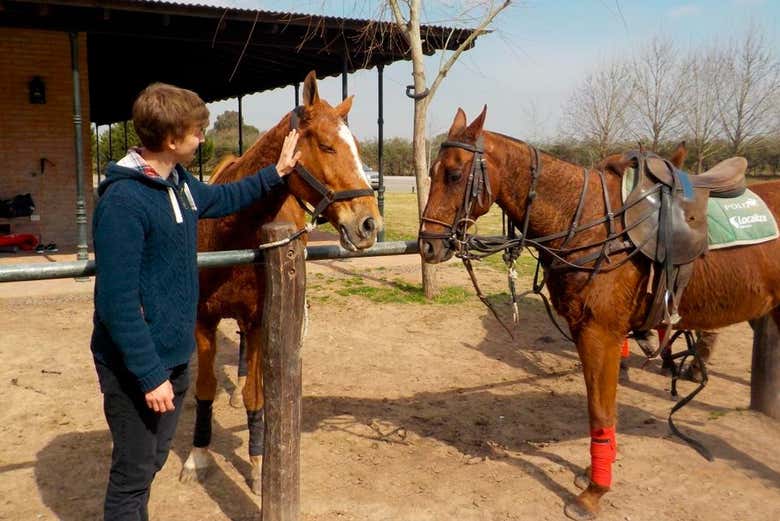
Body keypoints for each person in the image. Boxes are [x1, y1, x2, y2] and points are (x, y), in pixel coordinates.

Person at [90, 82, 300, 520]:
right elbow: (116, 304)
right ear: (172, 139)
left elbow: (224, 198)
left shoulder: (178, 183)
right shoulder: (124, 202)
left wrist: (276, 172)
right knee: (131, 478)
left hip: (173, 360)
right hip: (136, 369)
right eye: (197, 131)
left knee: (152, 461)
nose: (203, 138)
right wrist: (150, 376)